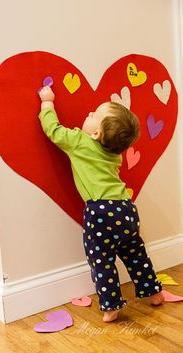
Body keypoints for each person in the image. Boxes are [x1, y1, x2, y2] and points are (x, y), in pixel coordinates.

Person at [38, 86, 164, 322]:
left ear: (95, 134)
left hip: (101, 212)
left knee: (102, 259)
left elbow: (53, 130)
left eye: (93, 115)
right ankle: (153, 292)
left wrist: (47, 103)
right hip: (127, 208)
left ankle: (111, 305)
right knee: (135, 253)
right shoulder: (115, 154)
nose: (88, 114)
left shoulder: (78, 141)